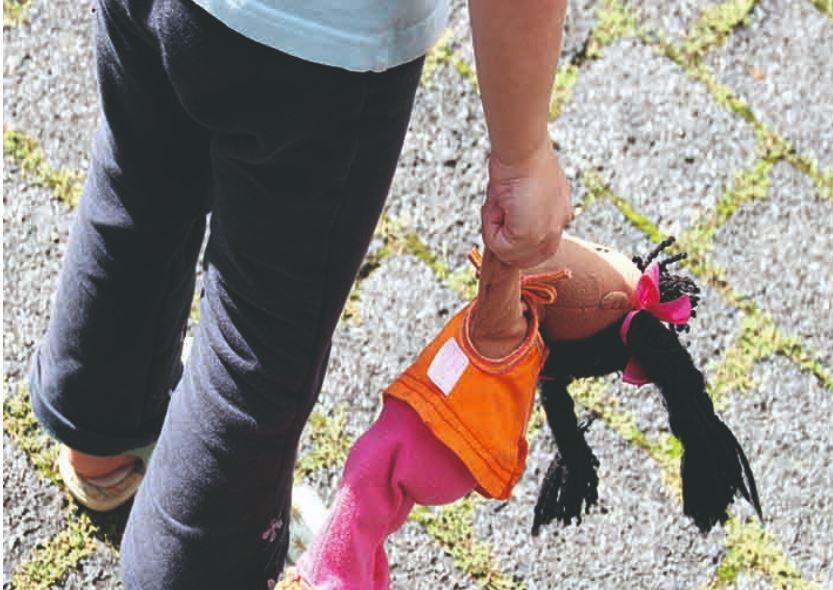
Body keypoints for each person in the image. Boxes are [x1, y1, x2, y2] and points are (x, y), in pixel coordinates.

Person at [27, 0, 571, 587]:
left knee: (137, 188)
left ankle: (100, 446)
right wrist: (523, 158)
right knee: (255, 345)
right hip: (316, 53)